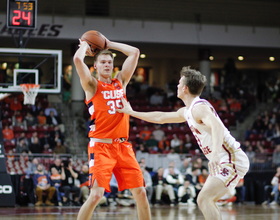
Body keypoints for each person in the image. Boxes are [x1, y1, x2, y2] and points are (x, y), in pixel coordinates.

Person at [117, 66, 250, 220]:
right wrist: (132, 112)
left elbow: (218, 127)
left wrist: (214, 156)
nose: (177, 86)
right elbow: (160, 117)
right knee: (206, 200)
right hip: (223, 160)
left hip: (231, 159)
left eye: (179, 83)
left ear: (185, 88)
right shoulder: (188, 110)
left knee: (204, 199)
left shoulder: (199, 108)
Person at [73, 33, 151, 220]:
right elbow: (77, 59)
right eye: (103, 62)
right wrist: (85, 44)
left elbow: (135, 53)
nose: (107, 65)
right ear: (96, 66)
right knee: (96, 196)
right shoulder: (91, 85)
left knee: (140, 192)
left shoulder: (120, 82)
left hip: (123, 146)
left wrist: (108, 44)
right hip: (101, 147)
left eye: (109, 62)